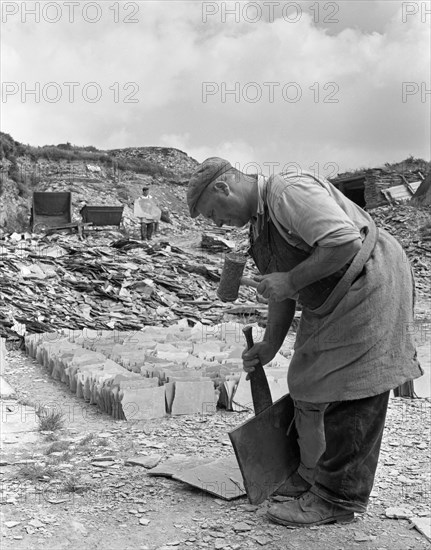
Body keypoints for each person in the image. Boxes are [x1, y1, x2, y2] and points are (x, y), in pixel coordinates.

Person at [187, 157, 422, 528]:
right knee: (308, 379)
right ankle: (310, 474)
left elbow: (343, 242)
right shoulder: (259, 227)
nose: (217, 224)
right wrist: (269, 344)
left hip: (370, 280)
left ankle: (337, 498)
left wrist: (293, 281)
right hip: (332, 295)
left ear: (224, 186)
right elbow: (280, 291)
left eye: (214, 213)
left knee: (352, 384)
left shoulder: (287, 192)